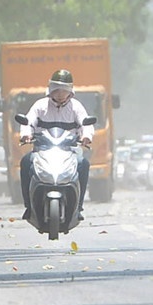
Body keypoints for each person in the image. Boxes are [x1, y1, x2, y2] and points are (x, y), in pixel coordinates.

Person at [18, 69, 94, 217]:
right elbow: (28, 121)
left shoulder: (76, 107)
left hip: (70, 150)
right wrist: (25, 135)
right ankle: (28, 206)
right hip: (42, 149)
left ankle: (78, 207)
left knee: (84, 164)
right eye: (56, 89)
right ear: (50, 88)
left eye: (64, 90)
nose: (60, 93)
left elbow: (86, 124)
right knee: (26, 162)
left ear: (70, 91)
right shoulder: (40, 105)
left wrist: (86, 136)